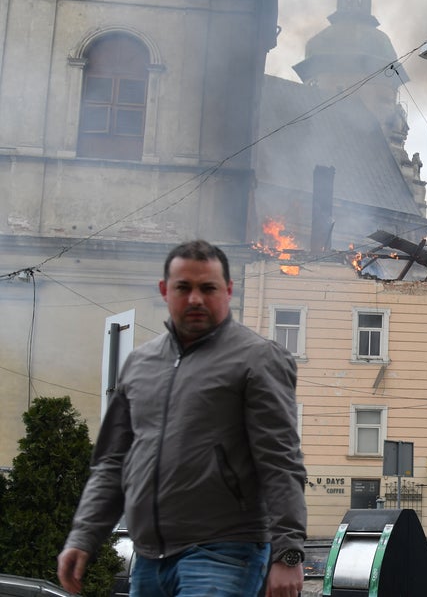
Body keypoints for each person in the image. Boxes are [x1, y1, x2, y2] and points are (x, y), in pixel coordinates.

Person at [57, 240, 307, 597]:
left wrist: (287, 552)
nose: (195, 299)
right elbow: (112, 462)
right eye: (183, 288)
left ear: (228, 290)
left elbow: (281, 459)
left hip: (224, 552)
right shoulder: (140, 363)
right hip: (149, 559)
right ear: (164, 290)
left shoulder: (257, 359)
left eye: (208, 288)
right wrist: (83, 536)